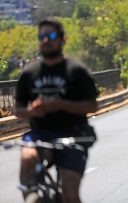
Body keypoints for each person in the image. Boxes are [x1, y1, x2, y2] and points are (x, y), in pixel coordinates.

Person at [14, 18, 98, 203]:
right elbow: (18, 109)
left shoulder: (77, 71)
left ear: (62, 40)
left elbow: (92, 106)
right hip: (40, 134)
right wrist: (32, 111)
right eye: (42, 36)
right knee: (27, 157)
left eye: (51, 35)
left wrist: (62, 105)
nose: (46, 40)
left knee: (69, 194)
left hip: (74, 135)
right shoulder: (29, 74)